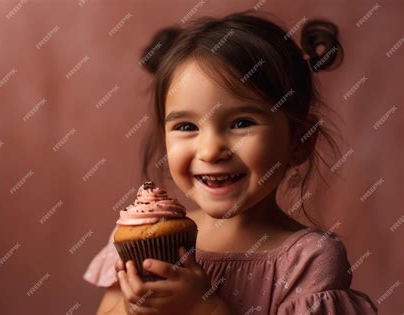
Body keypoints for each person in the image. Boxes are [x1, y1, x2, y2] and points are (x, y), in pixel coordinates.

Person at [85, 10, 378, 314]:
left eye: (241, 123)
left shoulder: (308, 260)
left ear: (299, 141)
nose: (210, 151)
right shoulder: (147, 235)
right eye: (186, 127)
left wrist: (204, 309)